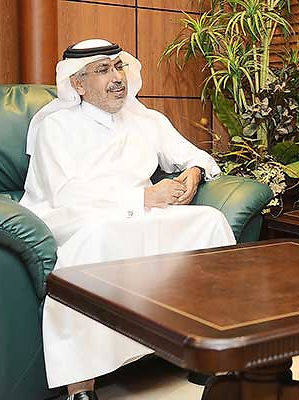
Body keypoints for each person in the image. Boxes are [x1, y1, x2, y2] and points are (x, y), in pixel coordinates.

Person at [20, 39, 237, 400]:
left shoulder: (145, 119)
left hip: (143, 214)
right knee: (97, 238)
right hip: (81, 219)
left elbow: (194, 155)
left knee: (209, 221)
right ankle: (81, 385)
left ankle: (209, 354)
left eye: (118, 66)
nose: (117, 77)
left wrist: (194, 173)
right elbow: (67, 194)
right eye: (103, 70)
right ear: (78, 83)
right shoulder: (55, 126)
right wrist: (142, 198)